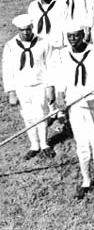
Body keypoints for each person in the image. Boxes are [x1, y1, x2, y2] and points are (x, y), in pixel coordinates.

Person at [55, 21, 94, 199]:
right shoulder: (62, 55)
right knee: (81, 144)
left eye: (76, 35)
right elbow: (60, 79)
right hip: (74, 105)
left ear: (83, 35)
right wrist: (60, 97)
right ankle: (86, 181)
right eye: (69, 37)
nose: (73, 40)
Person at [2, 14, 55, 159]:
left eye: (28, 29)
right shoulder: (10, 46)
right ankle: (34, 145)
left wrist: (50, 86)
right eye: (22, 30)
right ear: (18, 30)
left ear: (32, 27)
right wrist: (11, 91)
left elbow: (50, 65)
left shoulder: (43, 43)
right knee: (28, 117)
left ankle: (45, 144)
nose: (26, 33)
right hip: (21, 87)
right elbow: (7, 70)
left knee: (41, 115)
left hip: (39, 84)